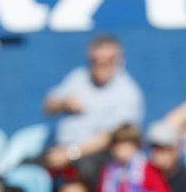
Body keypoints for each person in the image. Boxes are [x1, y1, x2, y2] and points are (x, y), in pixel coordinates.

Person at [44, 35, 144, 181]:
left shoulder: (128, 92)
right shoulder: (78, 77)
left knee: (77, 181)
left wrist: (71, 153)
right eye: (96, 60)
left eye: (109, 60)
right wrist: (63, 103)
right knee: (28, 170)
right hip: (60, 150)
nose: (102, 64)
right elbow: (48, 105)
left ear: (120, 60)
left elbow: (113, 137)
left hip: (96, 158)